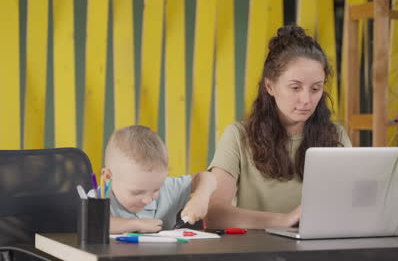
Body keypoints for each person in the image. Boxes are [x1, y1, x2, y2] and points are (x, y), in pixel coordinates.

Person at [206, 25, 352, 229]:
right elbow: (213, 213)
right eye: (295, 87)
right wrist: (283, 221)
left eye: (316, 89)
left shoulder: (336, 136)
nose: (306, 100)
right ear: (270, 86)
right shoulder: (238, 136)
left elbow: (353, 206)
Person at [93, 125, 217, 234]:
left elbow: (208, 177)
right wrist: (136, 224)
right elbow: (94, 222)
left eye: (155, 189)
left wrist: (201, 197)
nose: (147, 200)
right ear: (108, 177)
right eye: (137, 192)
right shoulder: (98, 197)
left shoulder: (167, 189)